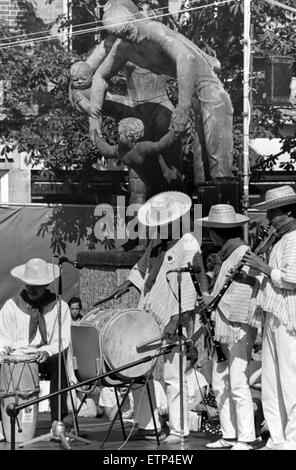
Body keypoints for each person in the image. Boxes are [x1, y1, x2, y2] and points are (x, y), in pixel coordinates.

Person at [89, 0, 233, 181]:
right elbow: (99, 77)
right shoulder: (124, 47)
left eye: (128, 32)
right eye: (122, 37)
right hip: (195, 94)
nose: (129, 38)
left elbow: (186, 57)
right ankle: (206, 203)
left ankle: (225, 206)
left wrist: (182, 108)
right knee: (201, 163)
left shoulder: (153, 31)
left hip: (210, 89)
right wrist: (94, 118)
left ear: (134, 20)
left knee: (217, 158)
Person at [109, 191, 208, 444]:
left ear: (173, 221)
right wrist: (128, 284)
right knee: (139, 370)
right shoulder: (157, 242)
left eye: (160, 223)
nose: (157, 227)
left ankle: (179, 429)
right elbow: (142, 268)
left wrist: (178, 319)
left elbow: (190, 282)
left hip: (176, 316)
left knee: (174, 375)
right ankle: (149, 423)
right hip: (150, 315)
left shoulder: (187, 243)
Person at [196, 204, 261, 450]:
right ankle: (230, 433)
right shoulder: (227, 254)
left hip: (237, 326)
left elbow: (247, 291)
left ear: (215, 231)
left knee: (237, 381)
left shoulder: (241, 252)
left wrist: (213, 301)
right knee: (220, 382)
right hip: (224, 325)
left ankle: (246, 436)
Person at [242, 185, 296, 450]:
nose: (269, 219)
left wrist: (264, 267)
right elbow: (274, 277)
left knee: (289, 380)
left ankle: (293, 438)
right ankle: (276, 437)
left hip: (288, 319)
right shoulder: (279, 240)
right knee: (272, 383)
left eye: (274, 213)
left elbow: (292, 279)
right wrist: (256, 271)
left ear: (288, 212)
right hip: (272, 316)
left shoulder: (295, 238)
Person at [0, 258, 71, 437]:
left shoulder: (59, 306)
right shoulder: (11, 306)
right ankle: (2, 422)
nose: (32, 288)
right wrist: (5, 350)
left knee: (59, 362)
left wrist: (46, 351)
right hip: (17, 357)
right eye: (29, 284)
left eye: (37, 285)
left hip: (44, 356)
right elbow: (2, 337)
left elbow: (63, 339)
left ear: (47, 284)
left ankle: (58, 420)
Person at [93, 116, 178, 206]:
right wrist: (95, 133)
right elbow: (106, 151)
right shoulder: (121, 150)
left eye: (121, 133)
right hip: (136, 195)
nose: (118, 135)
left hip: (151, 192)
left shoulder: (142, 148)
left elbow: (160, 146)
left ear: (130, 134)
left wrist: (175, 131)